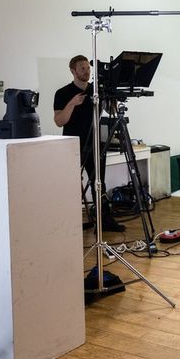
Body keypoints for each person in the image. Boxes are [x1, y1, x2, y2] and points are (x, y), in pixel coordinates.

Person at [54, 55, 125, 232]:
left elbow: (111, 110)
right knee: (71, 183)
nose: (87, 72)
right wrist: (72, 104)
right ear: (73, 71)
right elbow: (59, 121)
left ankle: (105, 220)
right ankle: (70, 221)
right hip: (71, 145)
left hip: (94, 143)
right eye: (83, 68)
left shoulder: (96, 90)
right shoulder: (62, 93)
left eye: (88, 68)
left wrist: (111, 97)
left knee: (98, 182)